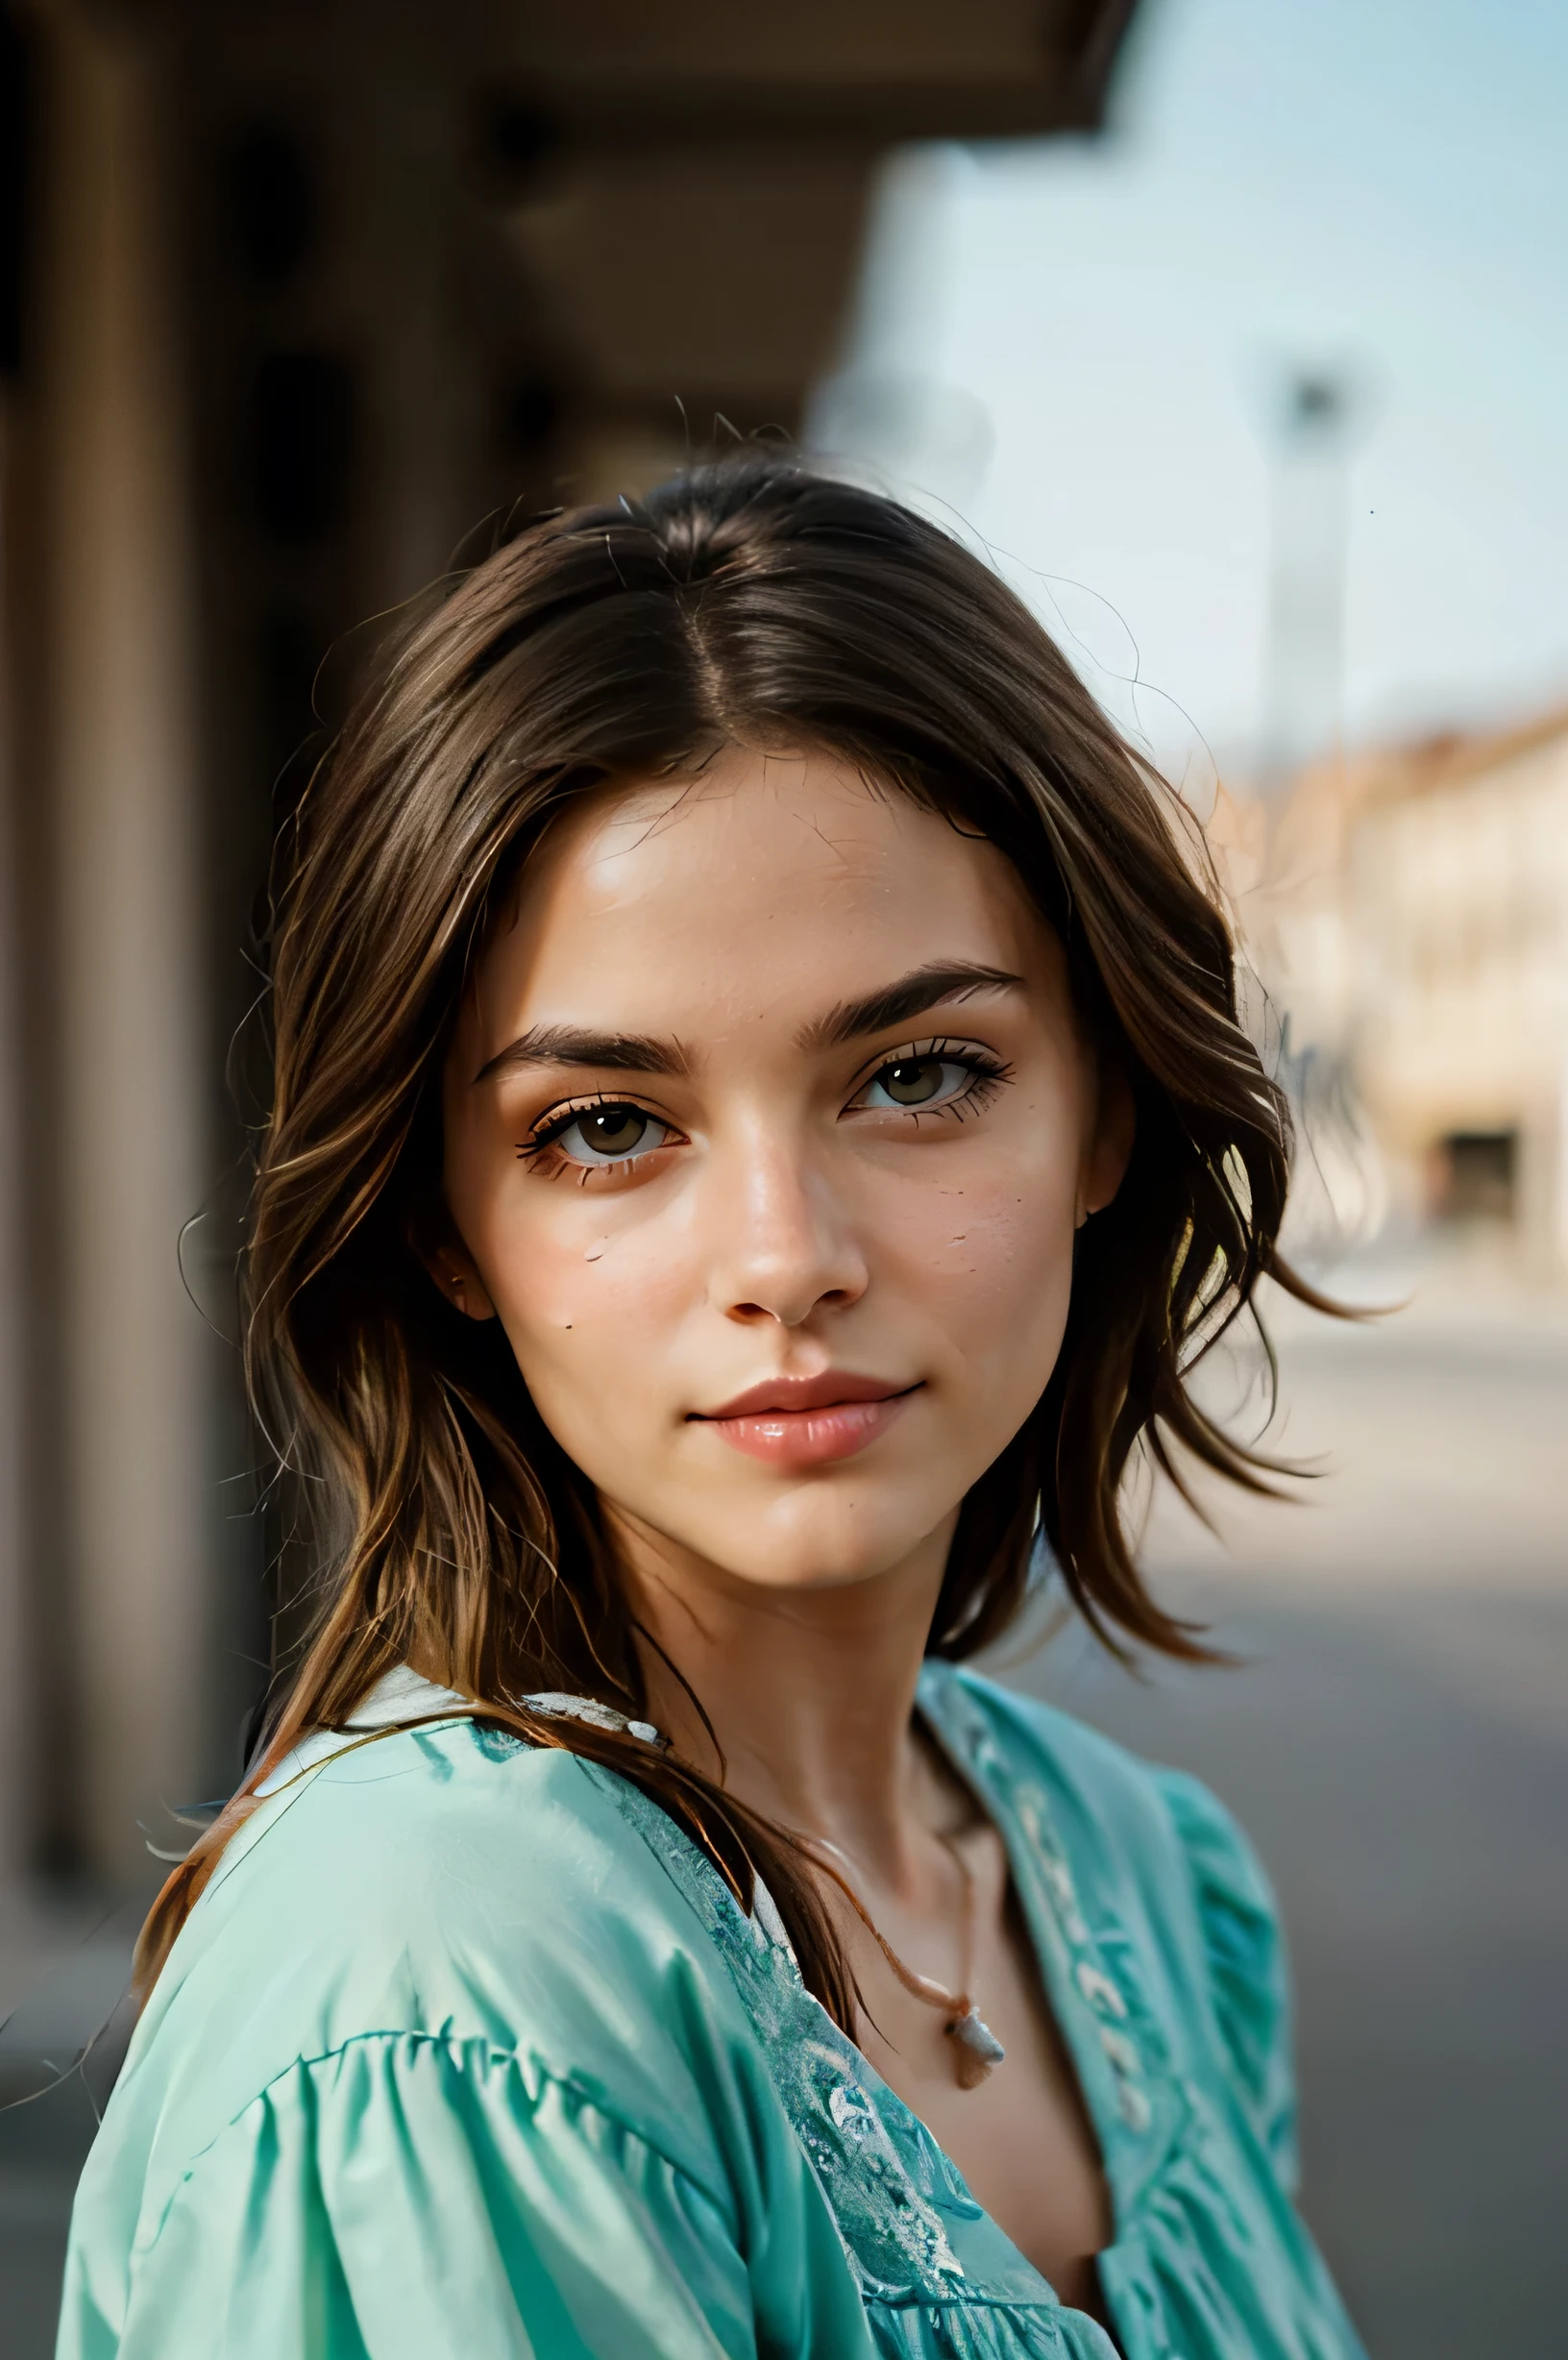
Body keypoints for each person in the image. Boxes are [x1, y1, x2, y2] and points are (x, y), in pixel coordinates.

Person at [57, 457, 1365, 2359]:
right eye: (606, 1127)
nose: (787, 1254)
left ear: (1103, 1106)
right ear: (445, 1223)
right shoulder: (446, 1988)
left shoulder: (1140, 1871)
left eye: (919, 1074)